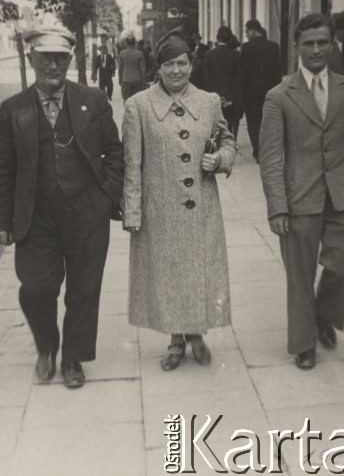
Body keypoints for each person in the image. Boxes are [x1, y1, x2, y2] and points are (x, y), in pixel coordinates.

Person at [0, 25, 124, 387]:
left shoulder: (93, 100)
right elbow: (4, 169)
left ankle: (73, 358)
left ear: (69, 59)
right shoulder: (12, 110)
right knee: (35, 288)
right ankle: (47, 345)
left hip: (87, 211)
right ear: (31, 59)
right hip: (36, 216)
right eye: (45, 58)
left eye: (60, 58)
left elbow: (115, 153)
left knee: (85, 288)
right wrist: (4, 220)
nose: (53, 65)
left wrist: (104, 198)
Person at [122, 31, 237, 371]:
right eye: (169, 64)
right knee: (169, 273)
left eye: (183, 63)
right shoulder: (138, 106)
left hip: (201, 205)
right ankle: (175, 340)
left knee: (198, 270)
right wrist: (133, 210)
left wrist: (220, 160)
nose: (176, 71)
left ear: (191, 64)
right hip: (160, 208)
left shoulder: (209, 101)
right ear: (157, 68)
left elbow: (227, 142)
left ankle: (197, 335)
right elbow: (132, 163)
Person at [259, 13, 344, 370]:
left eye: (323, 42)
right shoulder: (279, 96)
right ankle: (304, 344)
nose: (317, 49)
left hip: (342, 195)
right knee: (300, 274)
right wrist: (277, 207)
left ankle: (324, 313)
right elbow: (271, 157)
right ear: (297, 46)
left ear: (332, 42)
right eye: (309, 43)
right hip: (299, 197)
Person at [238, 19, 281, 162]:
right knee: (268, 121)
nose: (246, 35)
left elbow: (243, 72)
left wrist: (241, 89)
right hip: (270, 91)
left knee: (253, 122)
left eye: (246, 31)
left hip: (251, 93)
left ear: (252, 30)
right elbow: (277, 71)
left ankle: (258, 151)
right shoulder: (274, 47)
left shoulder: (246, 47)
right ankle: (268, 150)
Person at [203, 26, 241, 136]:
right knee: (229, 125)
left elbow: (207, 78)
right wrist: (230, 96)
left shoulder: (209, 54)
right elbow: (238, 78)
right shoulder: (236, 55)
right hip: (231, 98)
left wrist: (217, 95)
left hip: (214, 97)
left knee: (215, 127)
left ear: (217, 38)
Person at [118, 35, 146, 102]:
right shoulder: (139, 54)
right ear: (134, 43)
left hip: (125, 80)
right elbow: (143, 69)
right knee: (137, 100)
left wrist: (120, 80)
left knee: (126, 100)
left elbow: (120, 68)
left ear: (126, 43)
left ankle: (128, 112)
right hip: (137, 80)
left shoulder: (122, 53)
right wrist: (143, 81)